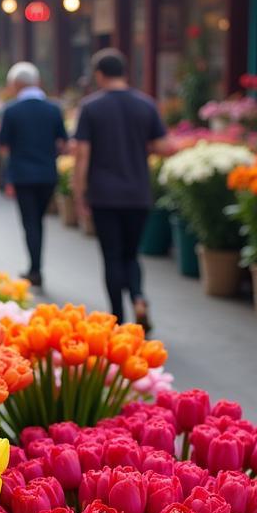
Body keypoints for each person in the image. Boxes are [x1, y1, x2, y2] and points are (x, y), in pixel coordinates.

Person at [72, 48, 169, 328]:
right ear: (124, 71)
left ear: (99, 74)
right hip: (137, 192)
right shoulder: (146, 104)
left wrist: (79, 193)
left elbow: (82, 157)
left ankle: (117, 317)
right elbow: (164, 147)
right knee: (131, 253)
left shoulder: (91, 107)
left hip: (105, 195)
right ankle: (138, 297)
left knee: (112, 255)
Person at [0, 62, 68, 290]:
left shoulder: (11, 110)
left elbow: (2, 144)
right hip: (47, 174)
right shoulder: (53, 109)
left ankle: (35, 269)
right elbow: (63, 141)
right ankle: (36, 267)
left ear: (16, 84)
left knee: (31, 223)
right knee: (38, 220)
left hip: (23, 175)